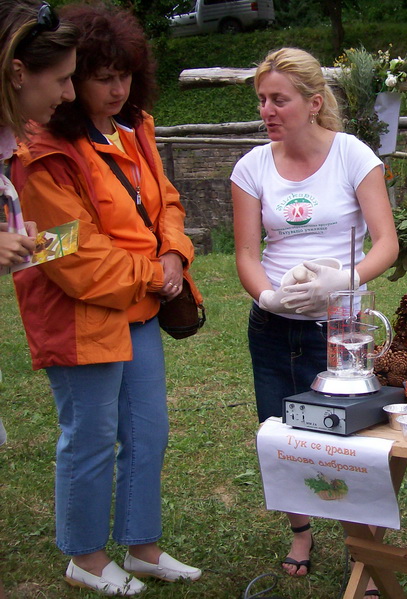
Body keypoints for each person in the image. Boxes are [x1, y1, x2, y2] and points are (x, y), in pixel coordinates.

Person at [10, 4, 201, 595]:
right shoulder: (41, 154)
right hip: (80, 319)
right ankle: (85, 558)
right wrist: (153, 275)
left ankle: (143, 547)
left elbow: (166, 201)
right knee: (90, 438)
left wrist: (174, 254)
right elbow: (71, 255)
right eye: (99, 78)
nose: (115, 89)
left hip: (138, 308)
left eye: (125, 75)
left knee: (148, 432)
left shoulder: (134, 128)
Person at [230, 47, 398, 594]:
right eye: (262, 99)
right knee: (280, 432)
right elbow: (246, 255)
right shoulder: (252, 167)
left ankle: (362, 550)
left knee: (348, 439)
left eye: (279, 99)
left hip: (340, 328)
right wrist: (270, 297)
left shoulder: (352, 156)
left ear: (314, 102)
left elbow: (386, 243)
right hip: (274, 326)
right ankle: (301, 532)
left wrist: (343, 281)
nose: (267, 110)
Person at [1, 3, 76, 596]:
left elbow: (49, 241)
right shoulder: (31, 146)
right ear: (19, 71)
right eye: (63, 79)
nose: (69, 94)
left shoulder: (12, 142)